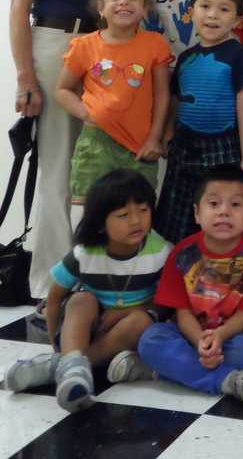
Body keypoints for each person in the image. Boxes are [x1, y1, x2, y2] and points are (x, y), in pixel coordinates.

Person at [9, 0, 130, 302]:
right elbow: (19, 8)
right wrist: (24, 77)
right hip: (55, 48)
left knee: (103, 169)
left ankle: (99, 276)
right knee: (58, 169)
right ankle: (50, 283)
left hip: (107, 54)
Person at [3, 170, 171, 412]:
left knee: (141, 321)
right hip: (87, 329)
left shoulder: (161, 252)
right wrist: (56, 345)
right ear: (100, 224)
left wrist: (127, 312)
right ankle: (69, 362)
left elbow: (165, 303)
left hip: (128, 335)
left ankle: (64, 366)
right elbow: (53, 300)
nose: (136, 221)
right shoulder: (85, 255)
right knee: (81, 300)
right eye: (123, 215)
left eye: (144, 210)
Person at [131, 165, 243, 407]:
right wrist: (199, 341)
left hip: (229, 338)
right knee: (150, 338)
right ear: (197, 213)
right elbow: (182, 313)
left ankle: (159, 371)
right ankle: (225, 380)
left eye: (235, 205)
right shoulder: (183, 253)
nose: (224, 212)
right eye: (214, 204)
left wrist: (219, 336)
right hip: (187, 336)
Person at [55, 0, 172, 203]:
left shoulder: (155, 44)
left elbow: (162, 95)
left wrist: (155, 137)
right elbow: (62, 89)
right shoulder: (84, 46)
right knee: (95, 218)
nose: (123, 2)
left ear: (144, 7)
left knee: (137, 214)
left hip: (139, 147)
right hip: (95, 145)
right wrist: (86, 113)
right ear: (101, 7)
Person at [154, 0, 243, 243]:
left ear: (237, 20)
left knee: (222, 215)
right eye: (205, 6)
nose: (213, 15)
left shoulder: (239, 55)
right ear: (191, 12)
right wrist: (165, 134)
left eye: (224, 9)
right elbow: (175, 102)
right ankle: (174, 273)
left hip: (225, 149)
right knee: (176, 217)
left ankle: (228, 274)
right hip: (184, 147)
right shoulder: (186, 58)